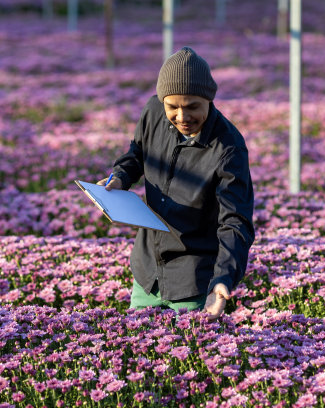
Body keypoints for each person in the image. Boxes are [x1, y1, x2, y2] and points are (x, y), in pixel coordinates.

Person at [97, 46, 255, 321]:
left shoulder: (228, 148)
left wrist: (223, 279)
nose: (182, 117)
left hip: (193, 279)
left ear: (209, 99)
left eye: (192, 106)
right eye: (172, 107)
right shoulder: (153, 112)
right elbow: (136, 154)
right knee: (138, 351)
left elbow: (236, 222)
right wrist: (120, 178)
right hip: (148, 271)